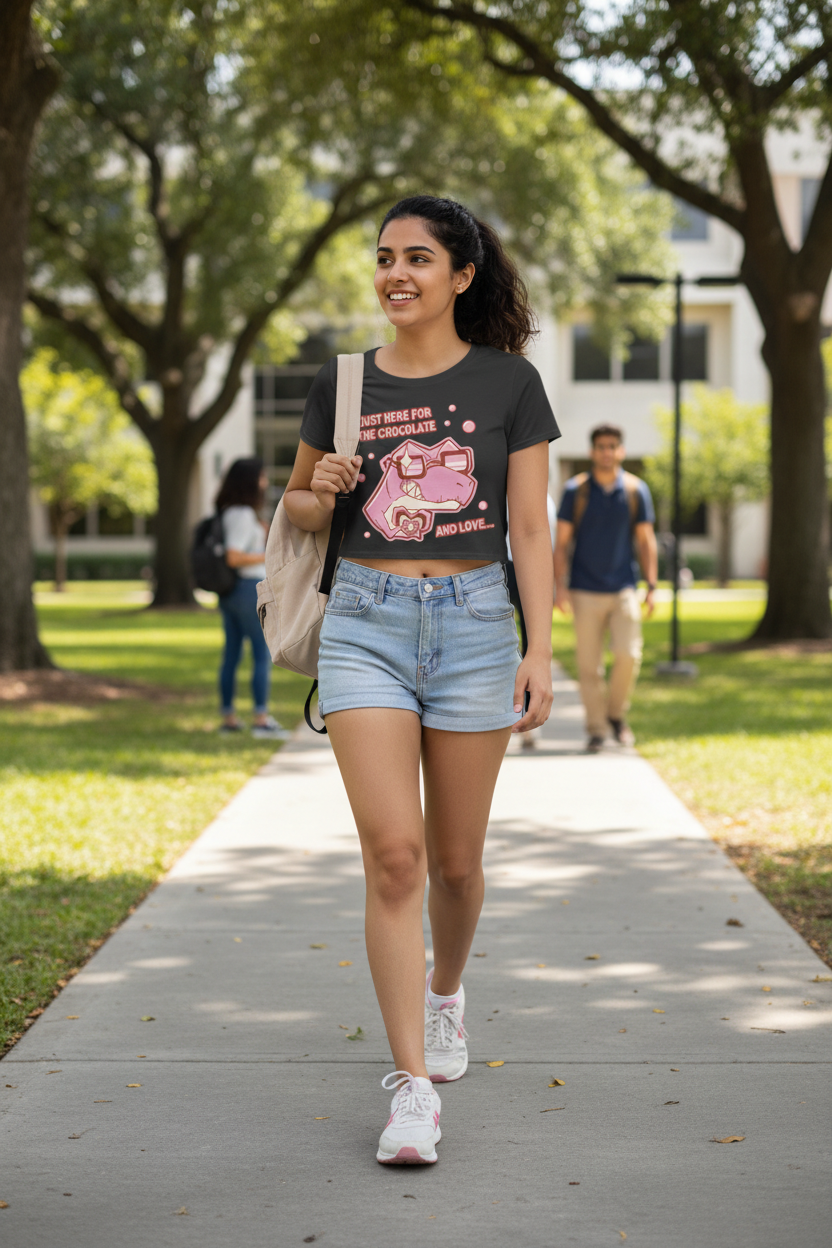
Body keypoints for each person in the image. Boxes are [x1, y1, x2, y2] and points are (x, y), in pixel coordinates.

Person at [283, 195, 559, 1164]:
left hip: (479, 627)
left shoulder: (509, 384)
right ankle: (409, 1089)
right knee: (393, 857)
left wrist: (539, 645)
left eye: (417, 258)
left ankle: (447, 996)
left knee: (453, 862)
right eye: (384, 257)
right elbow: (302, 512)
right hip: (365, 625)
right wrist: (318, 492)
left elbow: (528, 526)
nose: (395, 273)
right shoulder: (345, 381)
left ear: (461, 275)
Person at [553, 424, 657, 754]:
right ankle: (596, 729)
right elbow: (562, 543)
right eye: (601, 446)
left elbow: (646, 541)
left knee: (629, 655)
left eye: (612, 446)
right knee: (588, 667)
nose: (606, 452)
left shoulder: (635, 490)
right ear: (592, 451)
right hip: (584, 590)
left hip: (624, 588)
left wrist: (652, 586)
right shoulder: (576, 491)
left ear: (621, 451)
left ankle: (615, 715)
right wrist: (560, 588)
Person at [215, 457, 288, 740]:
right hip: (248, 589)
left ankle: (229, 717)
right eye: (261, 477)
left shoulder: (229, 511)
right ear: (250, 481)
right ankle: (260, 718)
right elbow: (234, 557)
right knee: (261, 653)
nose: (265, 482)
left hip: (232, 593)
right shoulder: (242, 514)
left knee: (231, 654)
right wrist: (268, 553)